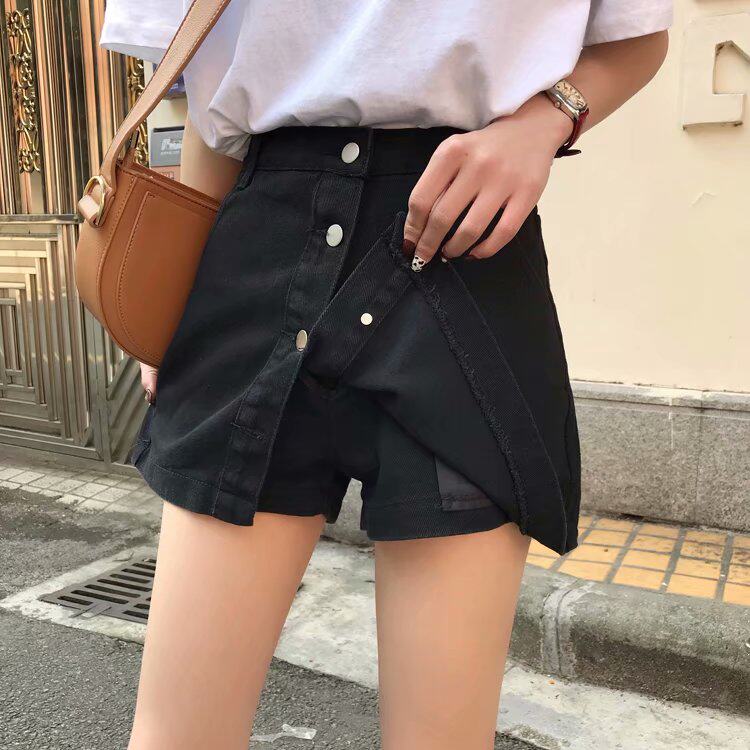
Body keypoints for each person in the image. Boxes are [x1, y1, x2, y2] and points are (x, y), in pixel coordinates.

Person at [99, 2, 672, 748]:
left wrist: (545, 121)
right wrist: (173, 292)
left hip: (462, 258)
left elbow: (637, 36)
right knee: (178, 737)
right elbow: (207, 94)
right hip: (256, 257)